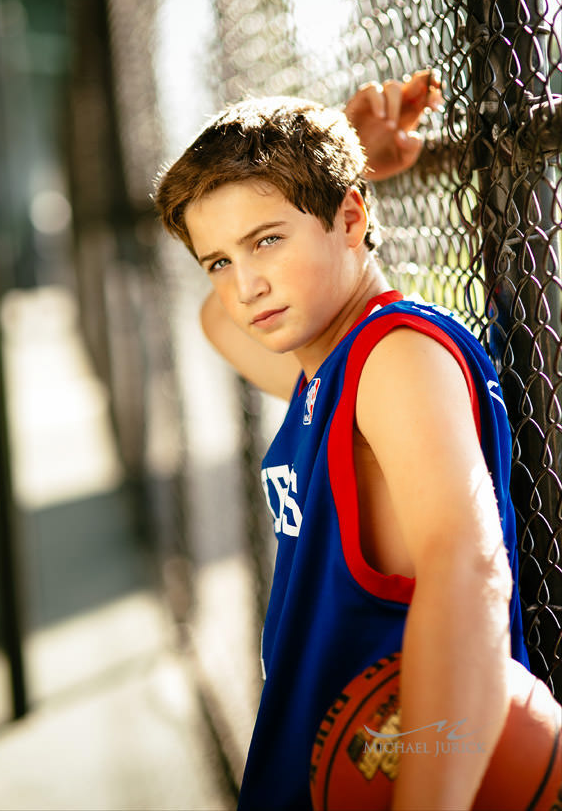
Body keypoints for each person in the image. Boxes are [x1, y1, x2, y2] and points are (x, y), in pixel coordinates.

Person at [153, 71, 531, 810]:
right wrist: (332, 157)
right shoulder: (324, 370)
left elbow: (469, 570)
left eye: (268, 240)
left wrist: (326, 167)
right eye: (220, 261)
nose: (246, 286)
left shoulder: (393, 356)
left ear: (351, 219)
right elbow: (213, 320)